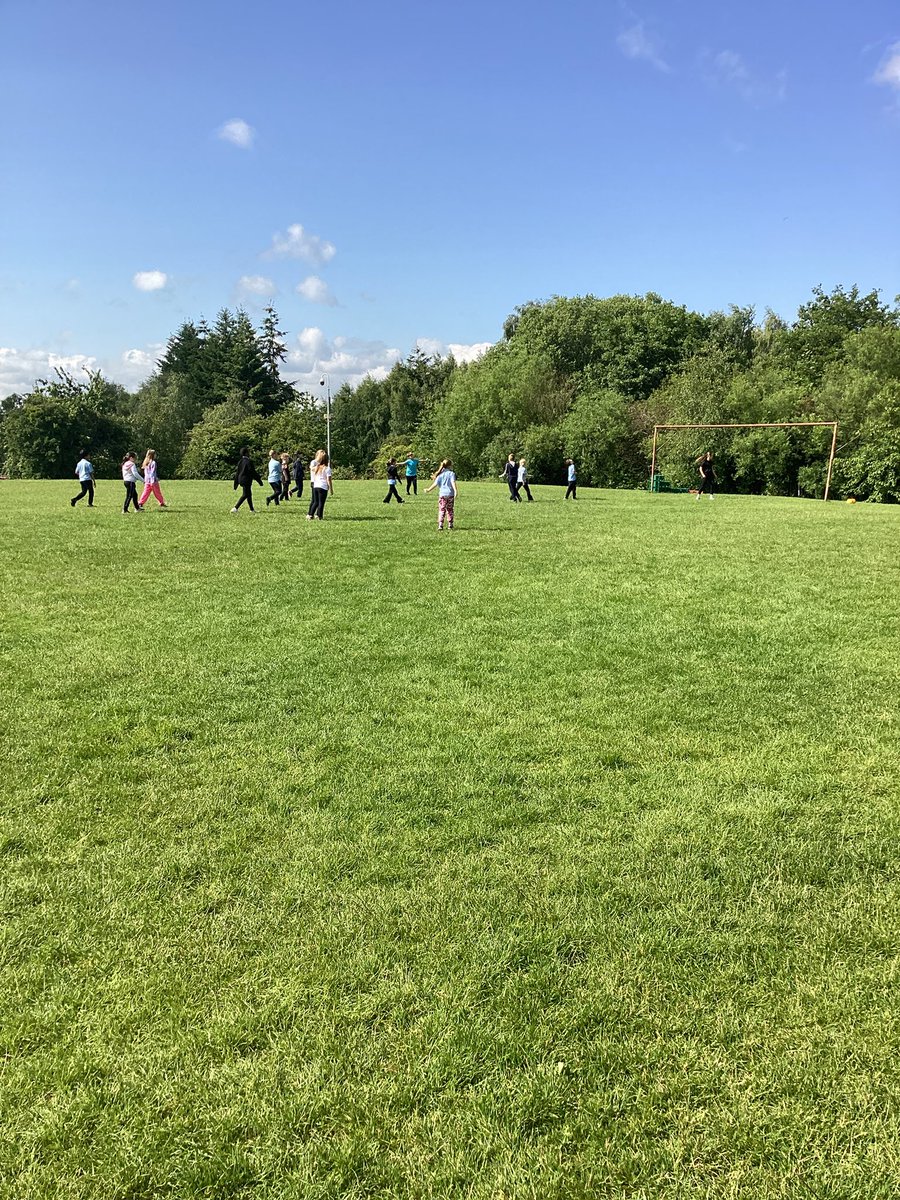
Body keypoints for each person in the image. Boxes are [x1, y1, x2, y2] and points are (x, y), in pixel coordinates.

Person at [425, 458, 458, 531]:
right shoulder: (451, 474)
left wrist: (428, 489)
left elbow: (435, 484)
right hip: (450, 495)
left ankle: (440, 525)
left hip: (442, 495)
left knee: (442, 509)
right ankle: (450, 524)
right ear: (450, 466)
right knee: (450, 509)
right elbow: (453, 483)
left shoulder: (440, 474)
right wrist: (455, 491)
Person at [232, 447, 263, 512]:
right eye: (248, 452)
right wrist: (259, 481)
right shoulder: (249, 461)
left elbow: (238, 472)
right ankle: (235, 508)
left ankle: (252, 509)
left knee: (249, 494)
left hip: (241, 479)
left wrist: (236, 483)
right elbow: (252, 472)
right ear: (246, 453)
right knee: (245, 494)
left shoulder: (240, 461)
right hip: (246, 480)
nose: (249, 453)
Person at [307, 450, 333, 520]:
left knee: (315, 501)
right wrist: (331, 489)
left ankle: (310, 514)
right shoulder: (327, 469)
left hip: (316, 486)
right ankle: (319, 515)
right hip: (323, 487)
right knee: (321, 503)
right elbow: (328, 480)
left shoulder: (317, 467)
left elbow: (311, 469)